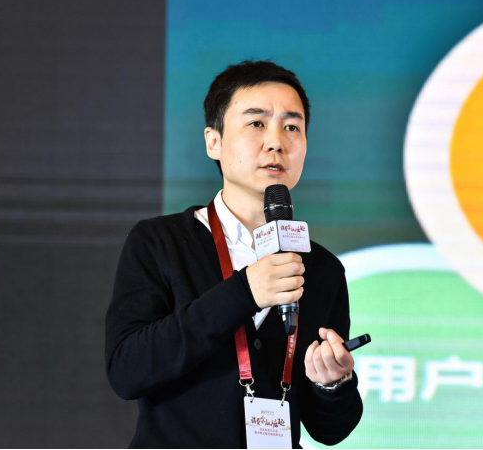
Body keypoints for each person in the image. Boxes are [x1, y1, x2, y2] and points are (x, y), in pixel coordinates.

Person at [105, 59, 363, 448]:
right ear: (214, 142)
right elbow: (128, 370)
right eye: (256, 123)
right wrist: (244, 292)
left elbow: (330, 430)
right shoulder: (160, 241)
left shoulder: (322, 268)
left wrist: (333, 383)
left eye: (292, 127)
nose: (276, 142)